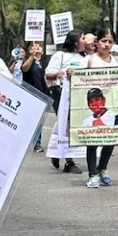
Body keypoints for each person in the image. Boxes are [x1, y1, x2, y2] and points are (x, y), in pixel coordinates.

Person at [83, 29, 118, 188]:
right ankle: (92, 174)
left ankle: (103, 168)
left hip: (112, 106)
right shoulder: (88, 61)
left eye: (110, 41)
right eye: (104, 41)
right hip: (93, 106)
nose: (107, 44)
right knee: (92, 141)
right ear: (97, 42)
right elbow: (77, 79)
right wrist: (71, 73)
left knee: (110, 139)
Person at [44, 30, 87, 172]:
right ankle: (69, 161)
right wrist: (59, 74)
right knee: (68, 124)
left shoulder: (85, 57)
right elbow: (48, 75)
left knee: (67, 124)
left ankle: (56, 150)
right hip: (62, 93)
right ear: (75, 41)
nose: (85, 40)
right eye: (82, 37)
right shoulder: (60, 55)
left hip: (79, 94)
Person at [17, 42, 50, 151]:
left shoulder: (45, 62)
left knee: (39, 119)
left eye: (39, 46)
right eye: (33, 46)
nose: (36, 48)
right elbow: (24, 69)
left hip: (43, 93)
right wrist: (32, 56)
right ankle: (30, 141)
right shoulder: (28, 61)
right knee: (30, 119)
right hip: (31, 94)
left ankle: (37, 142)